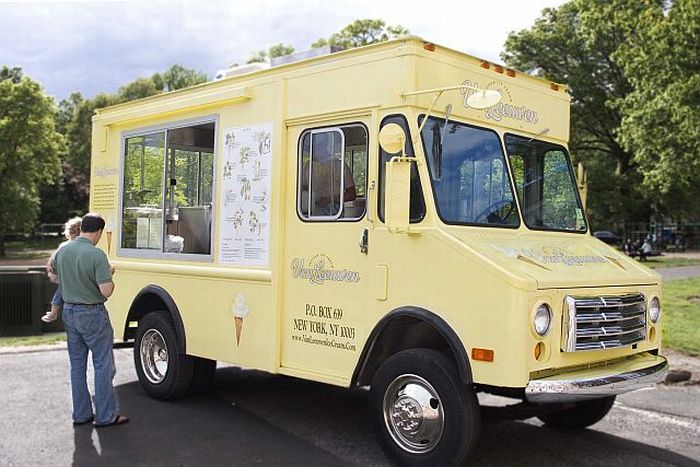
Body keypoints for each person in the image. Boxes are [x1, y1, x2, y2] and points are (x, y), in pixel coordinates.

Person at [54, 213, 129, 427]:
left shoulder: (63, 251)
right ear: (98, 232)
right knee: (102, 365)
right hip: (92, 314)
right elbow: (106, 291)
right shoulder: (97, 256)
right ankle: (105, 416)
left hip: (69, 312)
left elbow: (63, 281)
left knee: (77, 367)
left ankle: (81, 414)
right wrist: (110, 275)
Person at [300, 132, 356, 216]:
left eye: (318, 145)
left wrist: (329, 199)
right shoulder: (308, 166)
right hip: (311, 217)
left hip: (335, 216)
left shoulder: (340, 166)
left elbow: (351, 194)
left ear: (325, 144)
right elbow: (302, 190)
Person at [42, 217, 82, 323]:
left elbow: (53, 259)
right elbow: (54, 259)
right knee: (62, 290)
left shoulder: (65, 245)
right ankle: (53, 312)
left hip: (66, 275)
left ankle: (53, 311)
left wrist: (50, 265)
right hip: (68, 275)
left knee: (61, 290)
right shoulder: (75, 245)